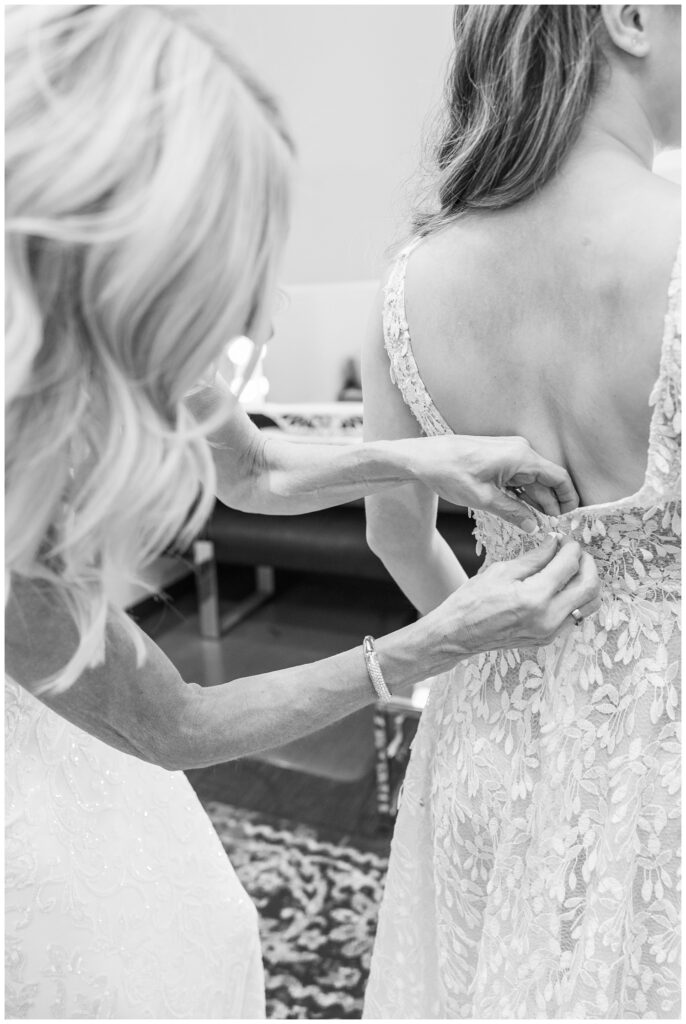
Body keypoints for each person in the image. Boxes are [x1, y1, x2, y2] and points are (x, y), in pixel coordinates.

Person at [5, 6, 601, 1019]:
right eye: (235, 264)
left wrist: (426, 455)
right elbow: (174, 721)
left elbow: (250, 467)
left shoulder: (117, 328)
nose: (257, 316)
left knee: (206, 925)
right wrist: (426, 643)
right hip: (59, 737)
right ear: (138, 257)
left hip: (89, 715)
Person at [362, 4, 680, 1019]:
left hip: (490, 743)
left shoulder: (408, 283)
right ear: (628, 18)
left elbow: (393, 536)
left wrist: (504, 642)